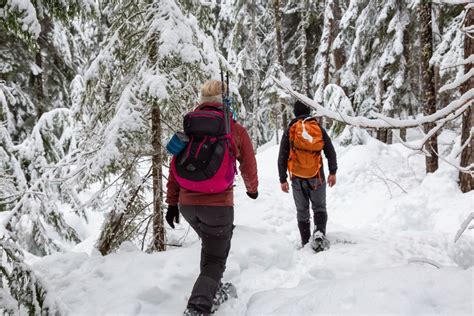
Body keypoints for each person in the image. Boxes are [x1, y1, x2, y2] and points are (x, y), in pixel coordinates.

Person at [165, 80, 259, 316]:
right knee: (216, 256)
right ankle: (198, 307)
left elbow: (174, 164)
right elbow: (248, 162)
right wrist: (252, 189)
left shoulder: (190, 129)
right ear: (223, 100)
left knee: (211, 249)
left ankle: (211, 290)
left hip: (187, 206)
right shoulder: (233, 128)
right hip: (218, 206)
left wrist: (172, 203)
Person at [277, 100, 337, 250]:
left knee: (302, 211)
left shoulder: (291, 129)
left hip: (297, 177)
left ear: (295, 113)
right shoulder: (317, 128)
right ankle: (319, 233)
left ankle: (305, 242)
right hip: (317, 176)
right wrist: (332, 172)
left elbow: (282, 157)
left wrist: (282, 179)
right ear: (309, 112)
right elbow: (330, 151)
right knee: (319, 207)